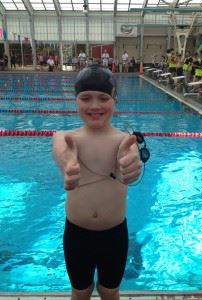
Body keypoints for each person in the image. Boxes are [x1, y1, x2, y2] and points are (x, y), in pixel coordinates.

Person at [52, 65, 144, 300]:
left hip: (114, 235)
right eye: (86, 98)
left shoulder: (125, 141)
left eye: (103, 98)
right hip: (77, 235)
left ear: (114, 100)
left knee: (109, 291)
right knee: (80, 292)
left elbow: (130, 158)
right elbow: (62, 152)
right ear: (76, 100)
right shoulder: (65, 137)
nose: (94, 106)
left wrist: (131, 168)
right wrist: (68, 165)